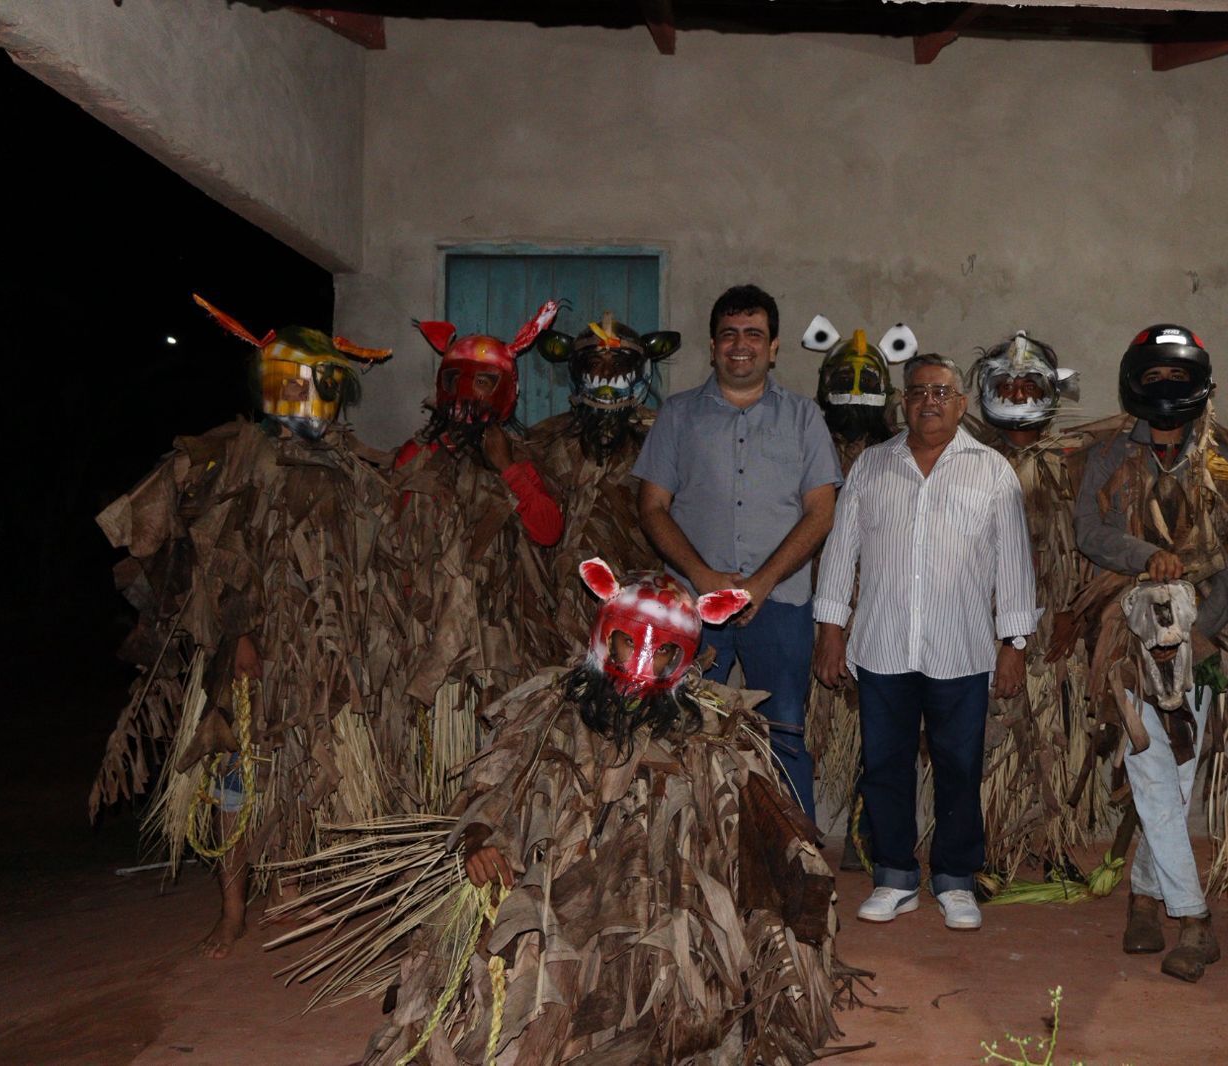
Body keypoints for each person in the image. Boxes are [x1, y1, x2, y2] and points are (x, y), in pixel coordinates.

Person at [272, 561, 844, 1063]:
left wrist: (793, 869)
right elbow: (498, 781)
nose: (641, 661)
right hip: (561, 890)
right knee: (522, 965)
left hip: (663, 910)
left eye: (663, 649)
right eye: (627, 641)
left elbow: (760, 818)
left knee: (673, 994)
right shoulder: (553, 713)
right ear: (604, 636)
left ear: (685, 655)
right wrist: (481, 837)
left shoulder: (709, 735)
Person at [91, 294, 396, 959]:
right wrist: (242, 634)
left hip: (326, 655)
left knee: (316, 769)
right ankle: (232, 908)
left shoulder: (351, 471)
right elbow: (219, 554)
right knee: (233, 772)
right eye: (287, 383)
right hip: (245, 650)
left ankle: (292, 889)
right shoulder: (242, 459)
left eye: (315, 383)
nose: (301, 397)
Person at [813, 353, 1036, 932]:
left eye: (941, 391)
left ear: (961, 403)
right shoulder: (871, 469)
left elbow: (1014, 563)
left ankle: (955, 879)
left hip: (960, 649)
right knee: (885, 766)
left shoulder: (991, 471)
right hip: (883, 646)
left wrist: (1013, 641)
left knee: (959, 766)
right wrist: (831, 628)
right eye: (917, 392)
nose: (928, 401)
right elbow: (841, 552)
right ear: (903, 403)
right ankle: (894, 876)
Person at [1071, 323, 1228, 982]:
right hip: (1130, 635)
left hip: (1201, 639)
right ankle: (1195, 919)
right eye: (1155, 378)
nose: (1168, 390)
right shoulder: (1108, 455)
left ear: (1199, 383)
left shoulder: (1227, 463)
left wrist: (1203, 621)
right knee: (1152, 768)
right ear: (1134, 383)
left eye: (1179, 378)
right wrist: (1148, 558)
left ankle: (1144, 902)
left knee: (1175, 780)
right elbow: (1089, 532)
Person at [633, 284, 842, 818]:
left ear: (773, 347)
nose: (741, 345)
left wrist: (763, 581)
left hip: (780, 604)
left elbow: (820, 511)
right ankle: (684, 855)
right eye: (730, 335)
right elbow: (653, 506)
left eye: (754, 334)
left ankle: (799, 862)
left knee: (785, 731)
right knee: (678, 728)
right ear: (713, 345)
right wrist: (702, 576)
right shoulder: (678, 417)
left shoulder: (803, 419)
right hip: (691, 608)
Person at [385, 308, 566, 808]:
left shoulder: (526, 459)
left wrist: (508, 468)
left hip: (499, 644)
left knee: (489, 771)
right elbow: (391, 543)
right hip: (430, 637)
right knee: (430, 768)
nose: (468, 396)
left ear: (506, 391)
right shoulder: (413, 456)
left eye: (485, 382)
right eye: (456, 381)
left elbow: (547, 531)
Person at [963, 331, 1107, 891]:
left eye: (1030, 384)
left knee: (1055, 735)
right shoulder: (968, 462)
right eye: (1008, 384)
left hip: (1057, 624)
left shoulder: (1077, 462)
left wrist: (1076, 611)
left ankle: (1053, 844)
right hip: (985, 626)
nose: (1019, 393)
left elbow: (1097, 541)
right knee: (990, 734)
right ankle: (992, 848)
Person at [797, 314, 912, 867]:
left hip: (888, 609)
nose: (858, 394)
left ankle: (874, 831)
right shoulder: (808, 449)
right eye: (847, 380)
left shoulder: (901, 456)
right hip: (821, 606)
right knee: (822, 721)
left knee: (888, 724)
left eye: (870, 383)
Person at [522, 311, 680, 660]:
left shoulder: (665, 438)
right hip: (556, 599)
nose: (606, 375)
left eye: (618, 364)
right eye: (596, 363)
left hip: (641, 605)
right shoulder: (545, 441)